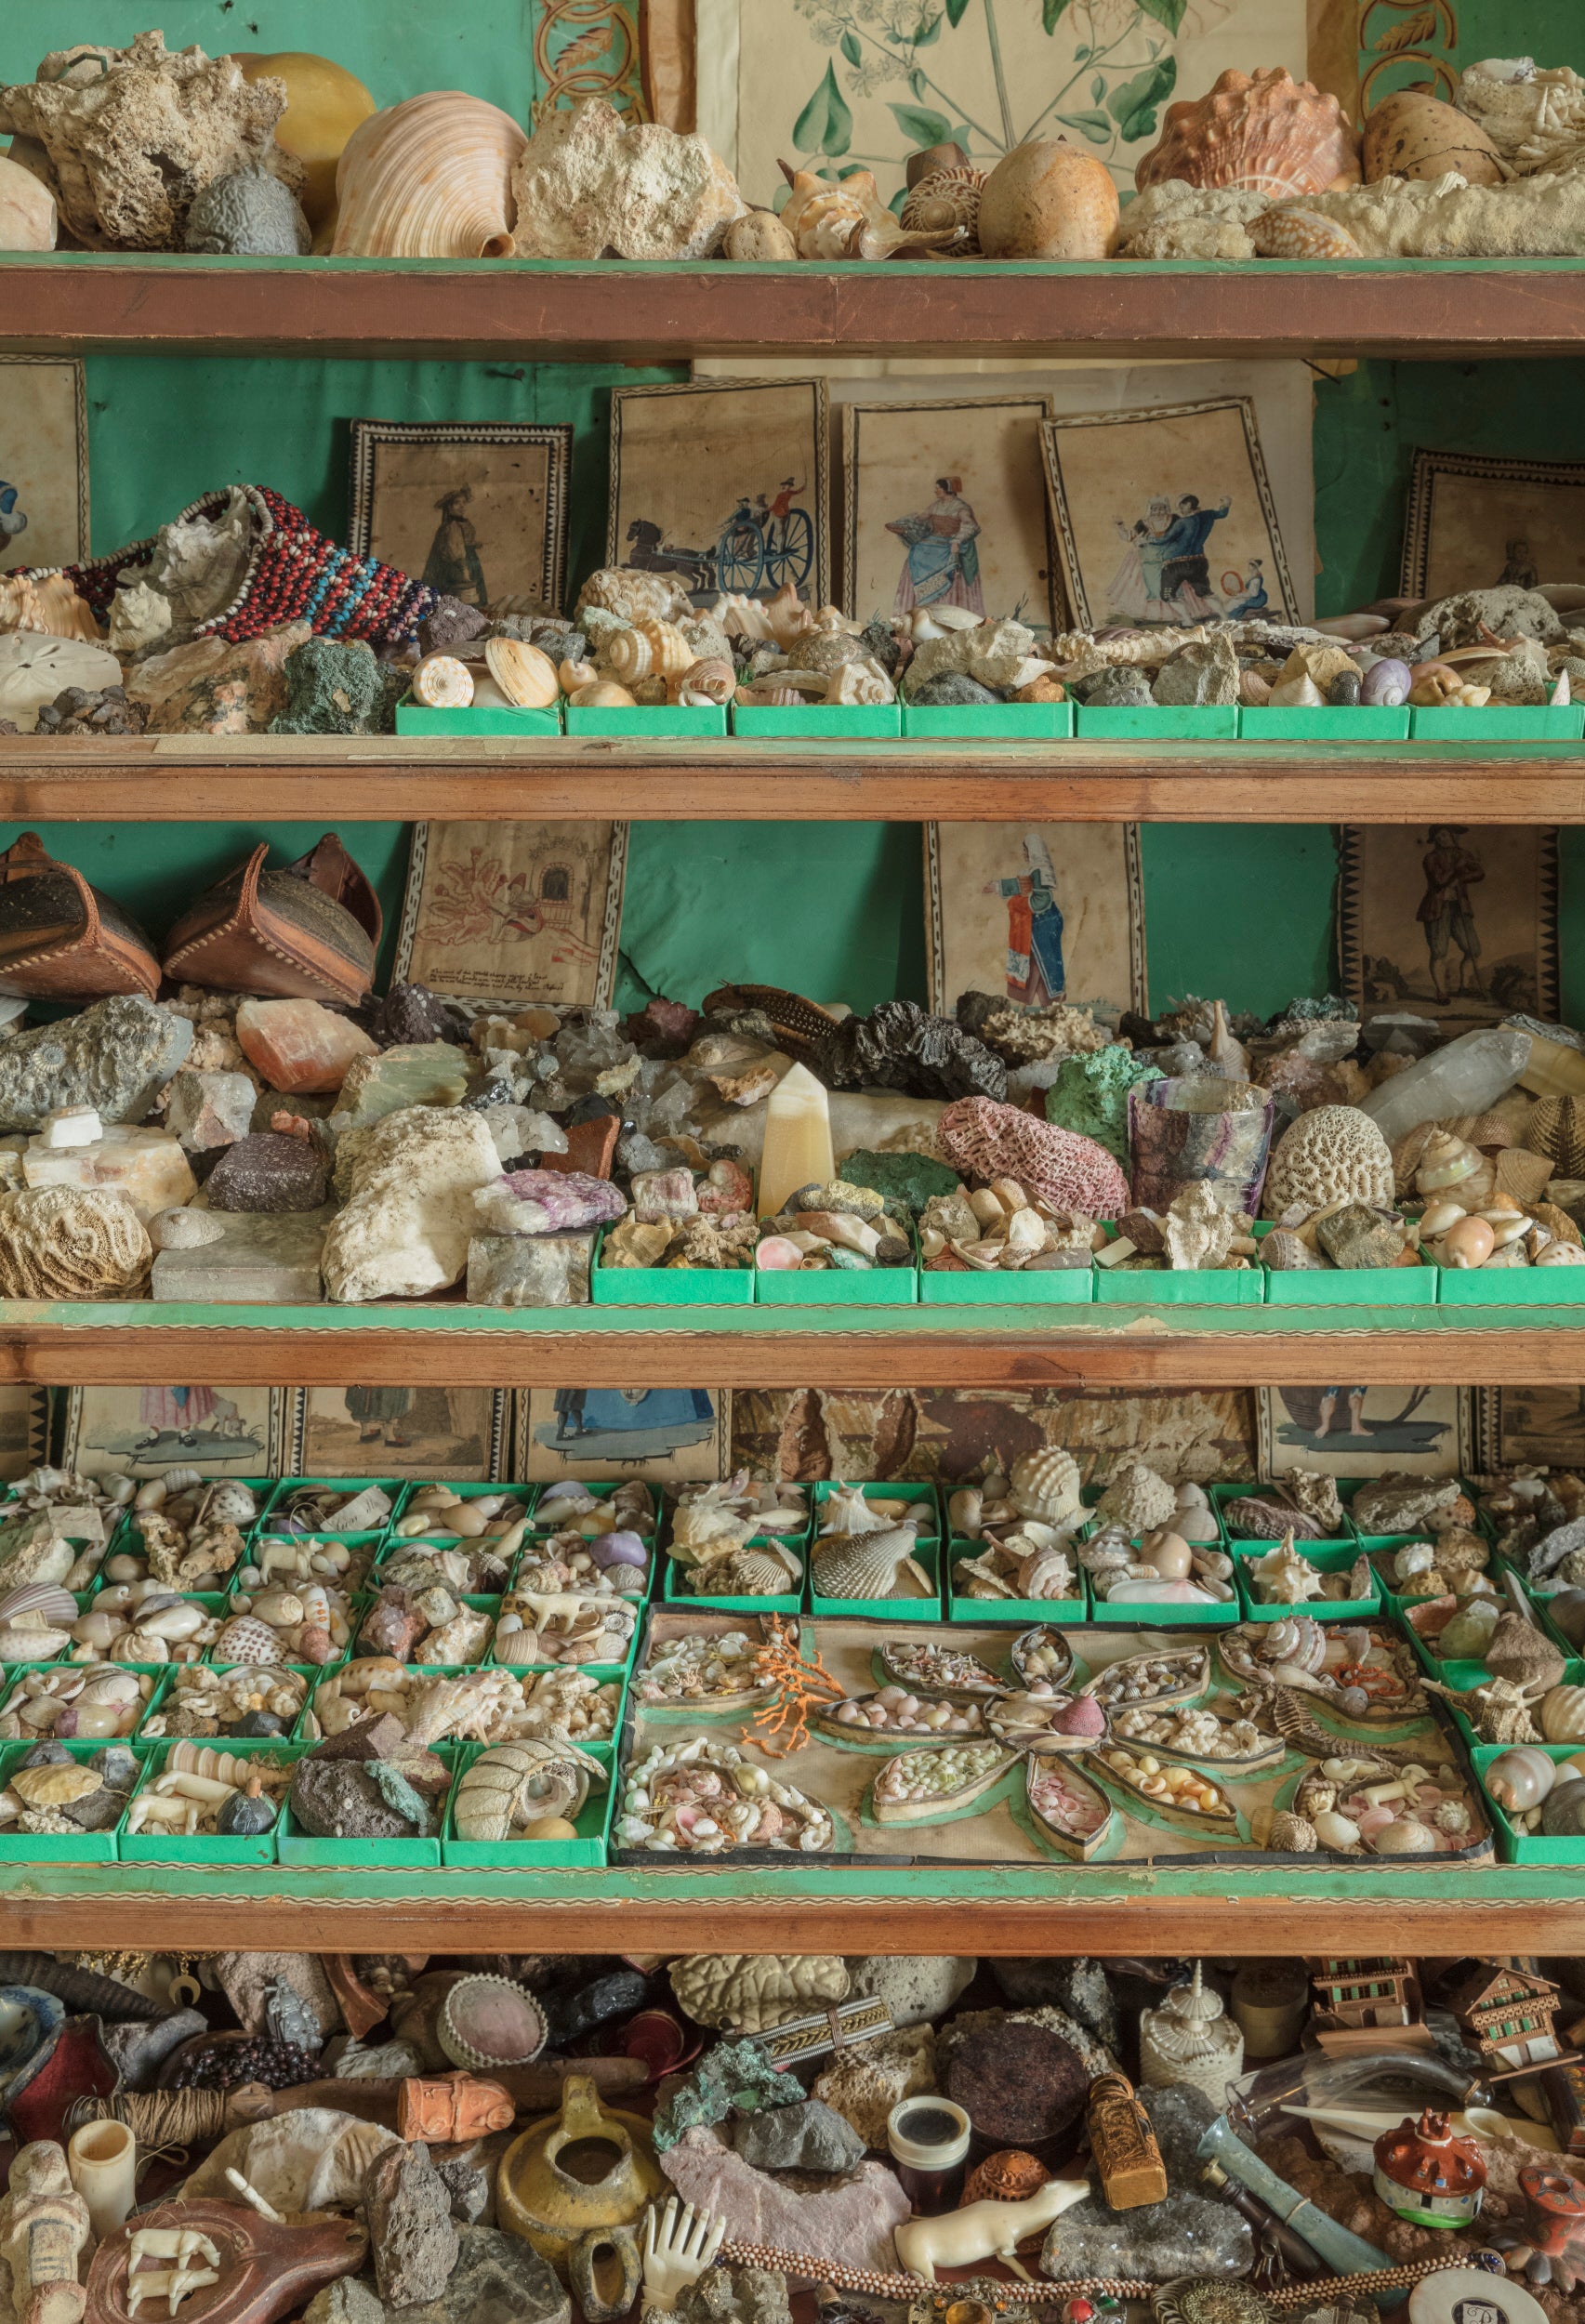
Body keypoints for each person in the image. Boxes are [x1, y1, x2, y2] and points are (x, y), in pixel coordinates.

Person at [888, 475, 984, 614]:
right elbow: (921, 518)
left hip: (949, 543)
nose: (935, 491)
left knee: (944, 557)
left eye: (938, 488)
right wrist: (902, 525)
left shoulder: (961, 508)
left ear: (947, 489)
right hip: (934, 541)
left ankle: (942, 602)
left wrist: (957, 540)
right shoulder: (936, 506)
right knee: (916, 552)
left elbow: (971, 526)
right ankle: (921, 602)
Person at [988, 832, 1064, 1005]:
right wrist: (998, 886)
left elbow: (1042, 899)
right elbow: (1023, 885)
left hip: (1043, 923)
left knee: (1042, 963)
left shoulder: (1039, 870)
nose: (1024, 854)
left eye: (1026, 850)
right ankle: (1041, 1003)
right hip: (1037, 923)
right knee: (1036, 964)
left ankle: (1051, 1002)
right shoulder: (1033, 870)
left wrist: (1018, 904)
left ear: (1033, 850)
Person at [1415, 825, 1487, 1002]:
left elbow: (1479, 873)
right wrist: (1457, 868)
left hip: (1459, 907)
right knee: (1439, 952)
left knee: (1473, 950)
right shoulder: (1431, 858)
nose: (1442, 839)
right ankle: (1441, 992)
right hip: (1437, 909)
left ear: (1452, 836)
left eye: (1445, 835)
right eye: (1439, 836)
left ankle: (1464, 987)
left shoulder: (1463, 854)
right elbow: (1439, 881)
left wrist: (1460, 878)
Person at [1157, 492, 1232, 619]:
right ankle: (1225, 617)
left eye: (1181, 506)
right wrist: (1226, 504)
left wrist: (1146, 540)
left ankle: (1187, 620)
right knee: (1205, 593)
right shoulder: (1208, 515)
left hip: (1175, 565)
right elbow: (1222, 514)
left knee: (1167, 595)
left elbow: (1164, 539)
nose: (1180, 510)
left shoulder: (1183, 522)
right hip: (1198, 563)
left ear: (1188, 504)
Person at [422, 484, 488, 606]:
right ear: (449, 507)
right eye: (457, 503)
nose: (462, 506)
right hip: (457, 566)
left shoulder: (460, 523)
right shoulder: (452, 526)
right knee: (462, 599)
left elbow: (462, 542)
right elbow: (455, 550)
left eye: (463, 503)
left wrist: (473, 545)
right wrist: (464, 570)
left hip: (468, 561)